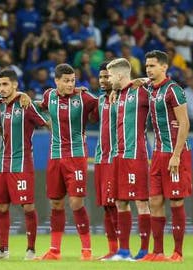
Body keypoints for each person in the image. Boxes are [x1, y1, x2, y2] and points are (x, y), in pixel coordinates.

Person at [38, 63, 97, 261]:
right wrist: (22, 96)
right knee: (56, 203)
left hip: (77, 156)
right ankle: (54, 250)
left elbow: (102, 105)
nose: (71, 84)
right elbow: (40, 106)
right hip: (55, 155)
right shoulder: (49, 96)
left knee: (76, 202)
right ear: (56, 81)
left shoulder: (85, 98)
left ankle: (87, 250)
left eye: (73, 80)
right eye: (66, 81)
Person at [0, 69, 49, 260]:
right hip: (3, 164)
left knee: (28, 207)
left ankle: (31, 250)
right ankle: (3, 249)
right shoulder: (1, 106)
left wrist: (25, 96)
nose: (1, 88)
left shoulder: (26, 105)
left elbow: (44, 123)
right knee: (1, 207)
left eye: (5, 84)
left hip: (22, 163)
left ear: (15, 84)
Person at [142, 50, 192, 262]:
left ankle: (178, 253)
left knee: (176, 202)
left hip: (175, 153)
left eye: (152, 66)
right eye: (146, 66)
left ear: (164, 67)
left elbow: (185, 123)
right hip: (158, 153)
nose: (148, 69)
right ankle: (158, 252)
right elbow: (134, 82)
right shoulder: (150, 89)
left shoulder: (174, 90)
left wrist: (176, 154)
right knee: (154, 201)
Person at [106, 58, 151, 261]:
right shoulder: (118, 95)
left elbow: (161, 83)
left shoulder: (141, 91)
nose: (108, 80)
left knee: (141, 202)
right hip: (119, 154)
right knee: (120, 201)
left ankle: (143, 251)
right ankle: (123, 251)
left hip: (136, 155)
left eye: (110, 76)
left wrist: (144, 79)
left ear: (121, 76)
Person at [90, 62, 118, 260]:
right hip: (101, 157)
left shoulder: (126, 97)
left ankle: (121, 249)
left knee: (117, 204)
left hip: (117, 158)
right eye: (100, 77)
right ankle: (113, 249)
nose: (102, 81)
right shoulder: (99, 100)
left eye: (106, 77)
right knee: (107, 205)